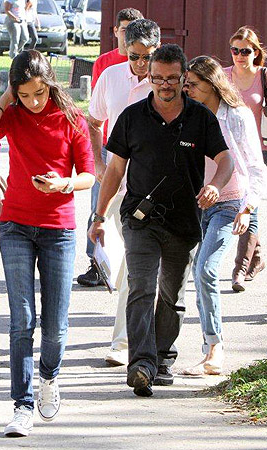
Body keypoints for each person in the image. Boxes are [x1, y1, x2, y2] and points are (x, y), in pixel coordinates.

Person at [89, 44, 234, 397]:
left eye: (171, 78)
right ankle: (141, 363)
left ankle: (163, 357)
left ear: (183, 78)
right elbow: (115, 169)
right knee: (141, 286)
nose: (164, 85)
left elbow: (226, 159)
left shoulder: (200, 118)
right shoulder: (131, 117)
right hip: (139, 218)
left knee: (171, 294)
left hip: (184, 221)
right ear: (148, 77)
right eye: (157, 78)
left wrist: (215, 185)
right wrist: (99, 215)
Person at [0, 50, 94, 437]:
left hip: (58, 227)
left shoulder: (71, 119)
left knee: (56, 322)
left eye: (39, 92)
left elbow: (89, 175)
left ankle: (49, 376)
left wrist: (64, 184)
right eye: (25, 95)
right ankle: (22, 404)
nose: (34, 102)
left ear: (50, 83)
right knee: (21, 319)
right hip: (16, 225)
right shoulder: (13, 113)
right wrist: (7, 98)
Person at [182, 55, 266, 374]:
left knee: (206, 270)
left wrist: (248, 208)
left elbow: (256, 168)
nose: (186, 88)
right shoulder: (189, 115)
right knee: (197, 274)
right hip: (196, 205)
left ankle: (216, 348)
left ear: (212, 84)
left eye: (193, 84)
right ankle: (207, 348)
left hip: (229, 202)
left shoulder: (237, 116)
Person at [87, 18, 159, 367]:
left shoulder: (168, 82)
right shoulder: (110, 77)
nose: (142, 64)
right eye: (135, 56)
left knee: (134, 265)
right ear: (124, 50)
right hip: (115, 180)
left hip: (153, 188)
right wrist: (98, 164)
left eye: (148, 56)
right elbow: (93, 121)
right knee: (118, 258)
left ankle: (123, 341)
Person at [78, 7, 144, 288]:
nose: (140, 61)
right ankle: (96, 263)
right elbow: (96, 115)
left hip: (144, 158)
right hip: (111, 149)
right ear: (116, 32)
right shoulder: (105, 65)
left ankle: (132, 265)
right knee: (100, 206)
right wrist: (98, 161)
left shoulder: (157, 71)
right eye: (124, 30)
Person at [224, 26, 267, 291]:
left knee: (249, 206)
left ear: (256, 52)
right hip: (229, 150)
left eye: (245, 51)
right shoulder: (224, 76)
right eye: (235, 50)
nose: (240, 56)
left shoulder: (265, 75)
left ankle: (239, 269)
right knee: (237, 205)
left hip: (257, 151)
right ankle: (258, 257)